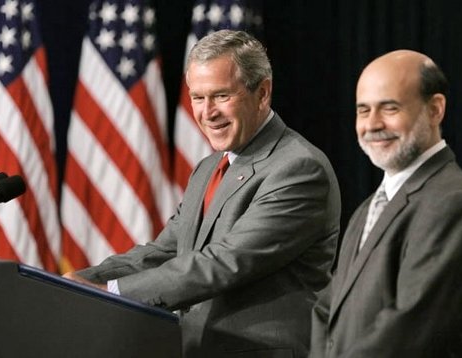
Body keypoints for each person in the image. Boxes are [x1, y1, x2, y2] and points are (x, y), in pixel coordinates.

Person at [64, 29, 341, 358]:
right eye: (198, 97)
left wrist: (111, 291)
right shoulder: (209, 168)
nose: (207, 112)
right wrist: (82, 279)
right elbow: (165, 250)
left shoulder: (298, 169)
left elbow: (225, 262)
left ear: (263, 93)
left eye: (221, 96)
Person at [309, 50, 462, 357]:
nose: (372, 124)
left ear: (435, 109)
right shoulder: (368, 208)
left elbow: (410, 328)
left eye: (390, 108)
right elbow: (327, 310)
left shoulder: (454, 201)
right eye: (363, 110)